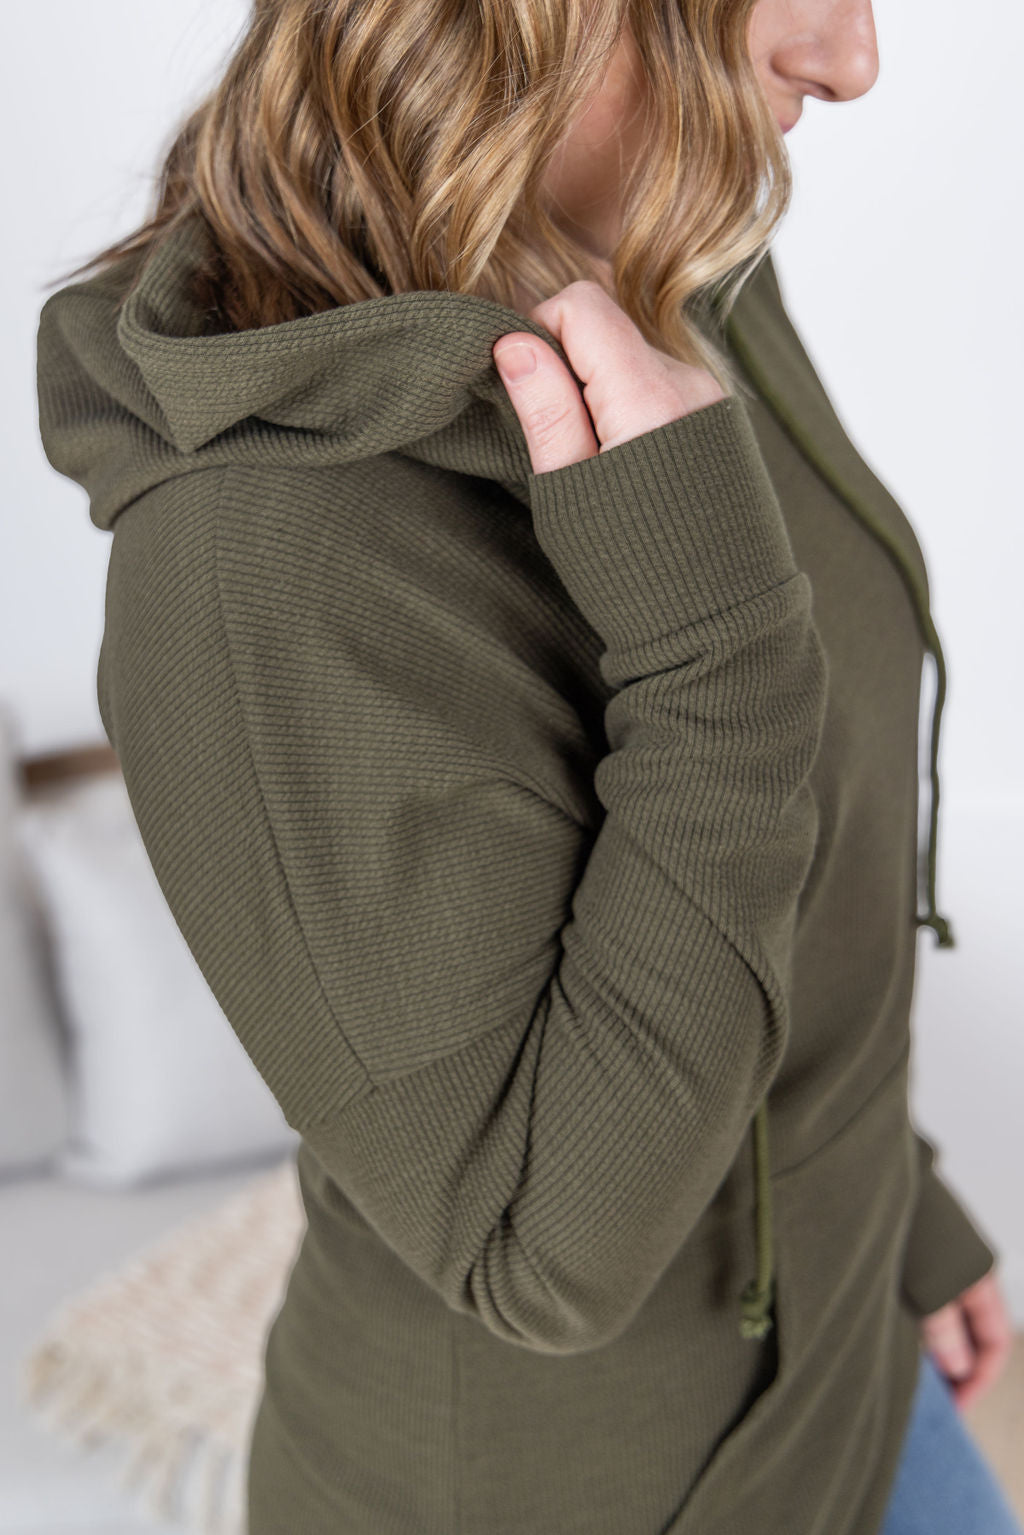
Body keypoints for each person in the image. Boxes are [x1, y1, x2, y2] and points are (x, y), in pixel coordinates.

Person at [34, 1, 1018, 1531]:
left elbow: (799, 864)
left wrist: (896, 1194)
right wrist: (716, 666)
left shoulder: (656, 257)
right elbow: (540, 1253)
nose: (851, 58)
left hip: (849, 1362)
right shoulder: (253, 560)